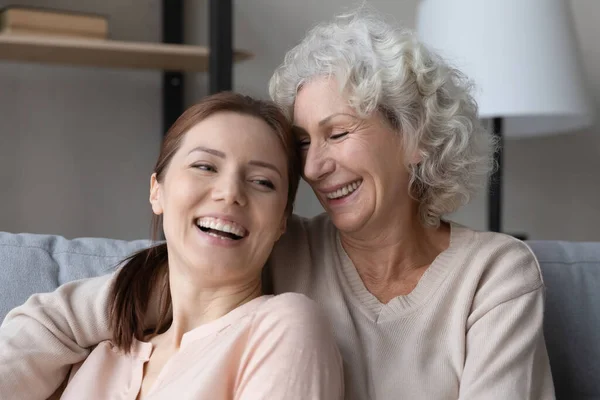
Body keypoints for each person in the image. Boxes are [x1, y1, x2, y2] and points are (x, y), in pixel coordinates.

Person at [0, 8, 554, 400]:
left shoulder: (494, 275)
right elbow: (77, 316)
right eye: (305, 144)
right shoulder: (270, 241)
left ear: (415, 139)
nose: (312, 168)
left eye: (337, 135)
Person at [1, 92, 344, 400]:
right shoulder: (100, 356)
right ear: (157, 190)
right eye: (205, 166)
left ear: (283, 220)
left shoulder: (285, 327)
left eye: (261, 182)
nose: (229, 193)